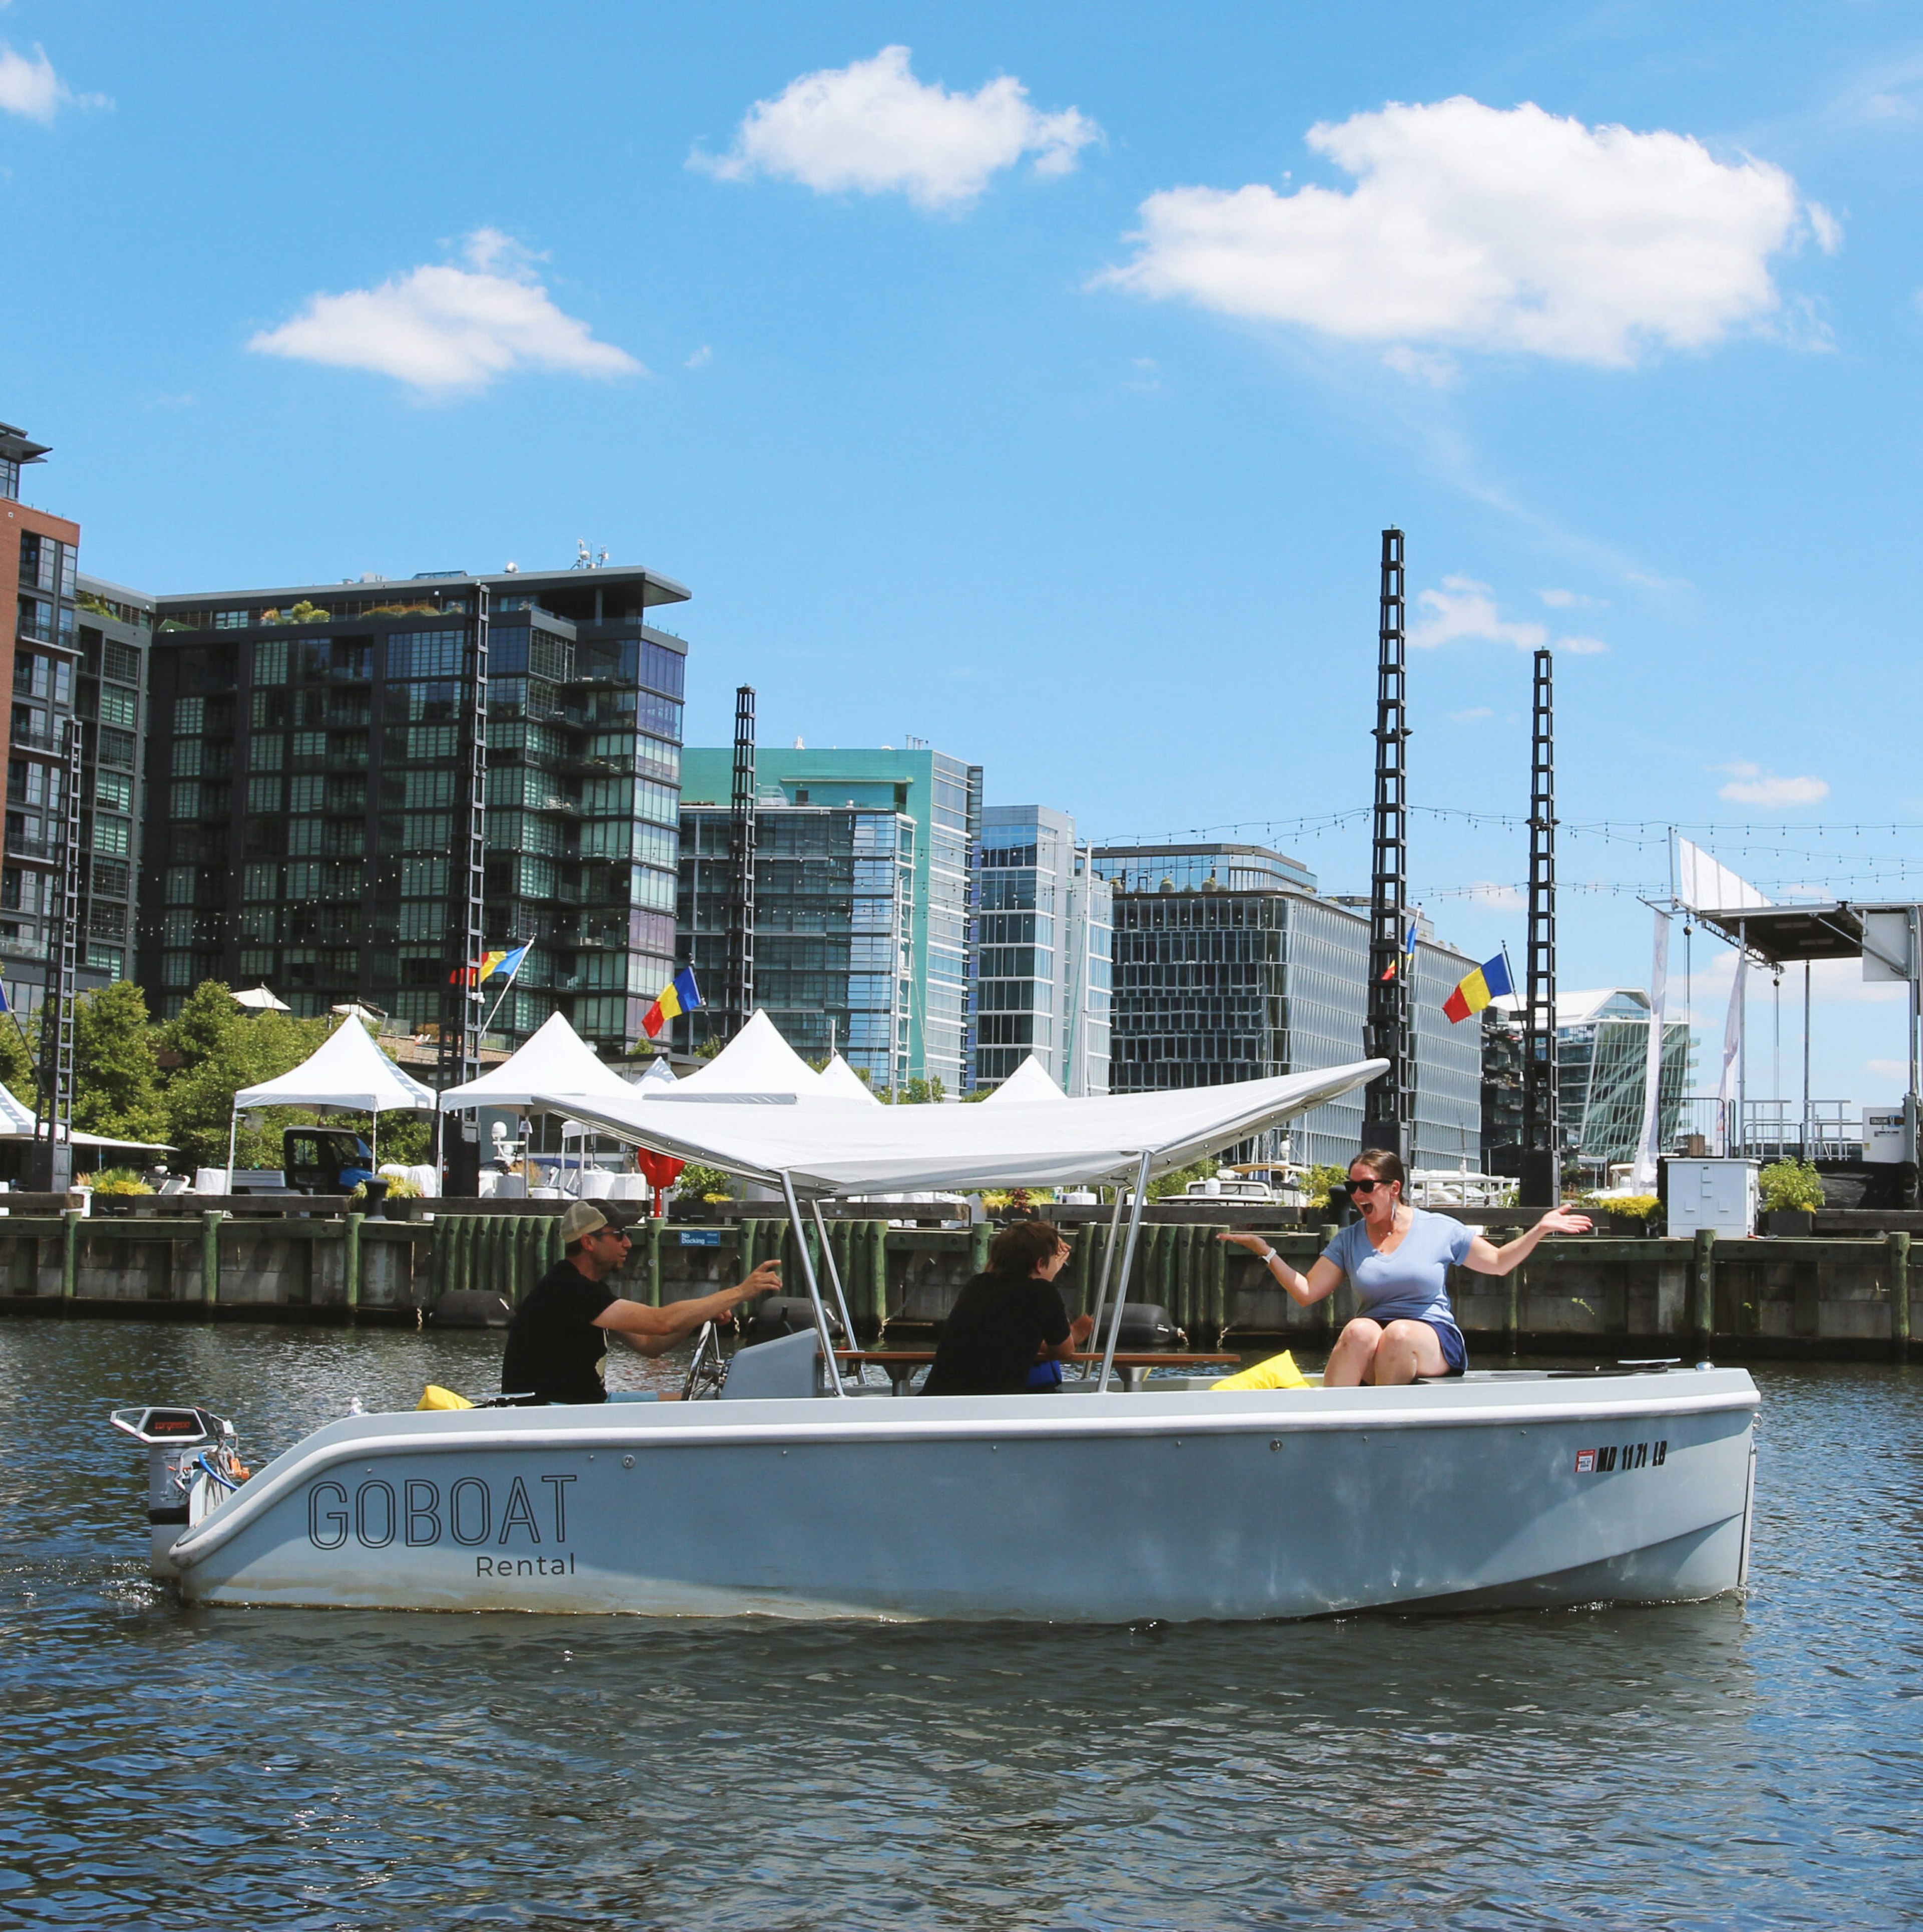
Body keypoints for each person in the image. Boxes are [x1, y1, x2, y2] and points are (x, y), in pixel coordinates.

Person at [1218, 1148, 1591, 1386]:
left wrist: (1540, 1229)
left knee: (1398, 1333)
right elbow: (1306, 1293)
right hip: (1375, 1343)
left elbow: (1497, 1263)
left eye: (1366, 1186)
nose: (1358, 1195)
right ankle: (1329, 1429)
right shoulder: (1348, 1240)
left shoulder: (1439, 1228)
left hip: (1431, 1337)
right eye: (1352, 1187)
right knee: (1360, 1329)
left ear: (1393, 1188)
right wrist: (1265, 1251)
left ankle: (1386, 1436)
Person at [501, 1200, 782, 1404]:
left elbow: (650, 1346)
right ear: (588, 1243)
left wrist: (701, 1316)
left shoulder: (586, 1289)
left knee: (696, 1403)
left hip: (584, 1406)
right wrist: (741, 1291)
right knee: (700, 1409)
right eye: (619, 1235)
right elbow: (660, 1322)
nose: (627, 1243)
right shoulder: (568, 1289)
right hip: (551, 1413)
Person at [920, 1219, 1097, 1397]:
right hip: (989, 1406)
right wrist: (1075, 1332)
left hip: (938, 1398)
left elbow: (1013, 1331)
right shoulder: (1043, 1292)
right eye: (1054, 1259)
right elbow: (1064, 1351)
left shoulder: (977, 1285)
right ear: (1039, 1264)